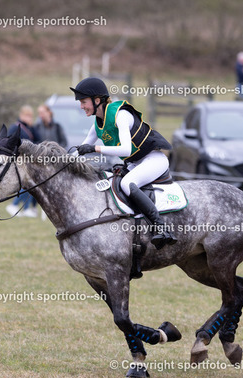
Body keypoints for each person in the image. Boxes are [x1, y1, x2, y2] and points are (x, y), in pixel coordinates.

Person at [70, 77, 177, 249]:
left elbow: (126, 150)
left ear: (97, 100)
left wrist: (95, 148)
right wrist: (56, 161)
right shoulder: (97, 124)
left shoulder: (121, 115)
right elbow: (79, 150)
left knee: (127, 183)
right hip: (135, 164)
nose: (81, 106)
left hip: (154, 160)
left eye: (83, 102)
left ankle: (161, 228)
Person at [6, 105, 41, 218]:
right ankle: (14, 204)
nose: (29, 118)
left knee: (30, 183)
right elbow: (11, 143)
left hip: (30, 160)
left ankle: (26, 208)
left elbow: (38, 140)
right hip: (19, 159)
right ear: (21, 115)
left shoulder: (31, 128)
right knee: (27, 183)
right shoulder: (15, 127)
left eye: (30, 116)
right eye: (27, 115)